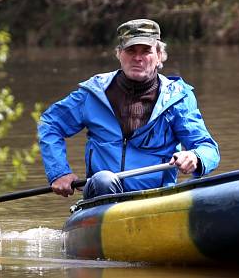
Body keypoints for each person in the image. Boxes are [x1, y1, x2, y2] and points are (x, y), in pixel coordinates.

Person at [38, 18, 220, 199]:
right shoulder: (92, 95)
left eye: (146, 51)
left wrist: (195, 157)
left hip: (157, 199)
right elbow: (50, 124)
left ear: (159, 55)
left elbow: (208, 148)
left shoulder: (178, 98)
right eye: (130, 50)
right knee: (104, 180)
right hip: (100, 198)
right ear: (119, 54)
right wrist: (59, 172)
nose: (137, 58)